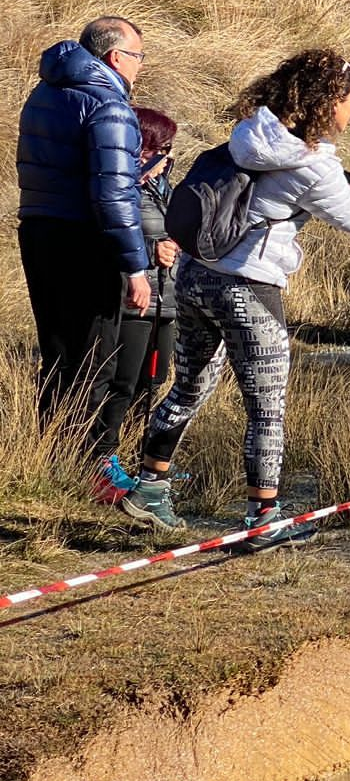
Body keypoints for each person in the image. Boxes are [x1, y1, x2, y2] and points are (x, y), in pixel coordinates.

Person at [121, 53, 350, 539]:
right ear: (325, 106)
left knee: (188, 387)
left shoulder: (255, 130)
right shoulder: (311, 166)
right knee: (267, 409)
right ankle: (262, 520)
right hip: (250, 288)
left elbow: (315, 71)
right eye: (349, 101)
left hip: (195, 277)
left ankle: (148, 489)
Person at [15, 15, 153, 489]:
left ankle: (50, 459)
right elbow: (114, 197)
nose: (139, 67)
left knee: (56, 350)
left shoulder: (44, 92)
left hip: (38, 230)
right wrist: (136, 266)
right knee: (95, 356)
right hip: (86, 240)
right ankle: (94, 467)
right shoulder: (109, 105)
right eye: (138, 56)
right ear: (116, 57)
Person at [90, 109, 182, 504]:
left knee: (154, 381)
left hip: (169, 299)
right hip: (133, 300)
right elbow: (107, 240)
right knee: (122, 383)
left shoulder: (166, 189)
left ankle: (138, 459)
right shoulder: (117, 189)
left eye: (166, 150)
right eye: (155, 149)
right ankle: (102, 461)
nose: (162, 157)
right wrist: (150, 251)